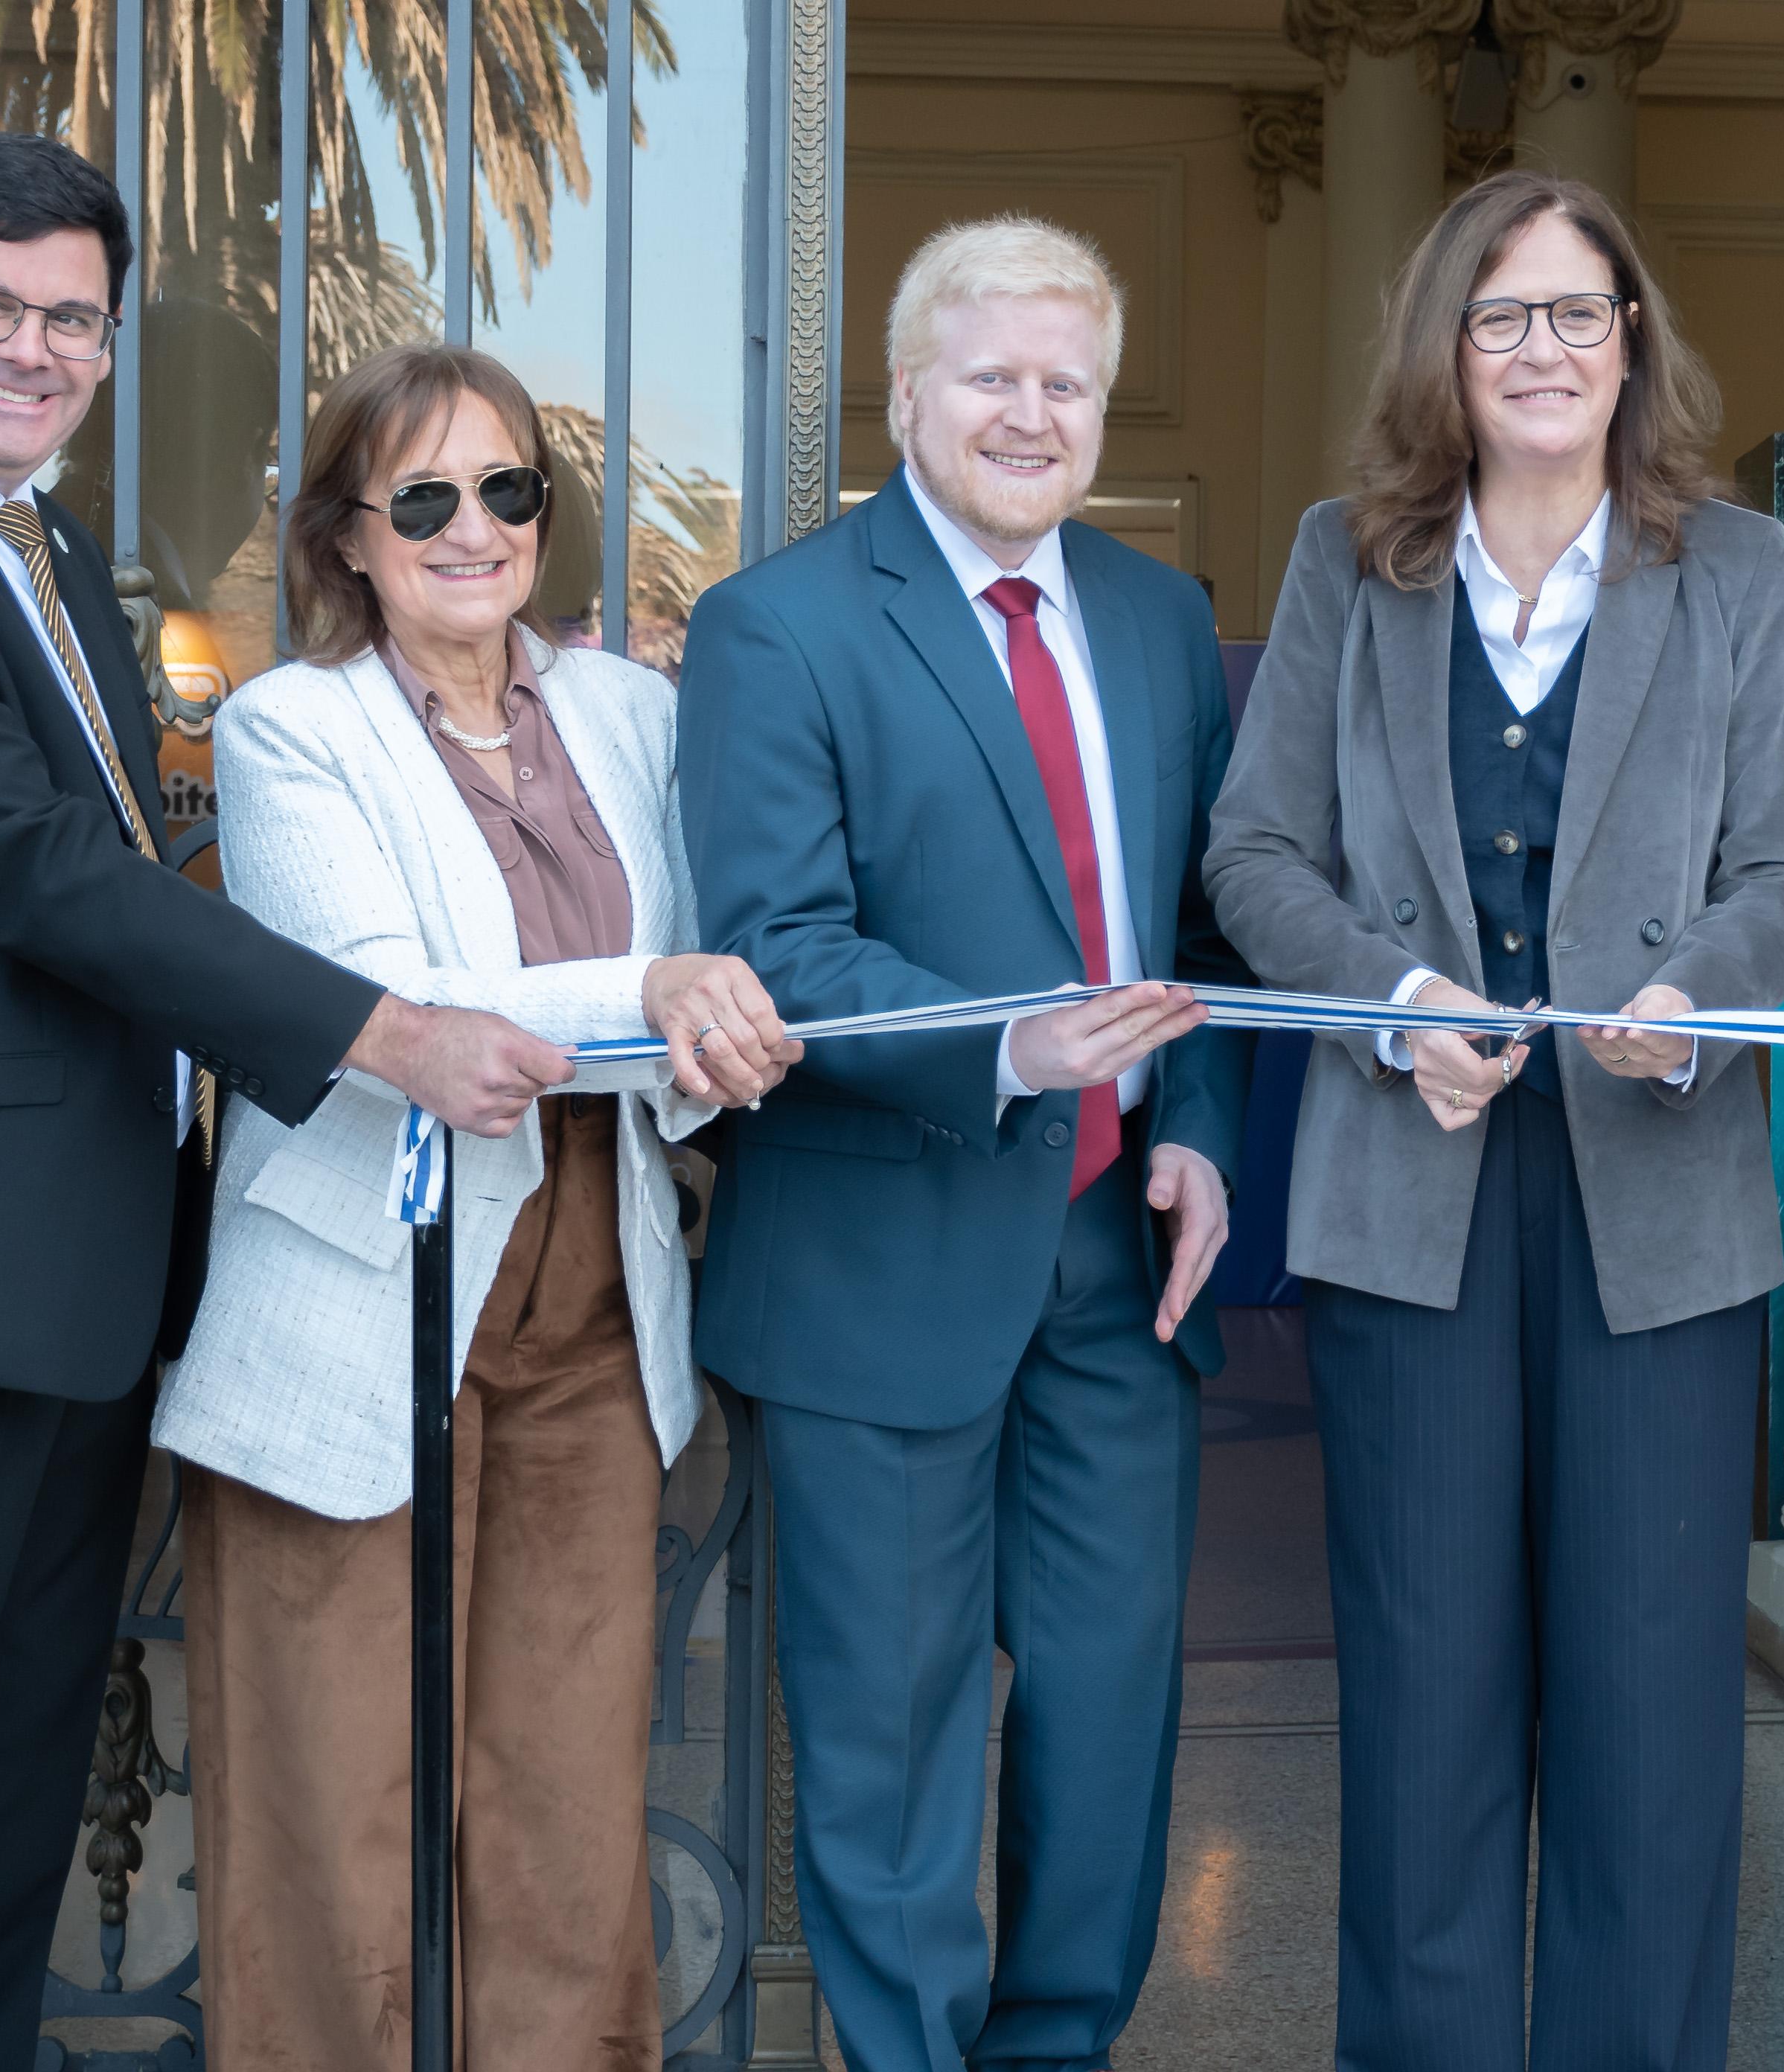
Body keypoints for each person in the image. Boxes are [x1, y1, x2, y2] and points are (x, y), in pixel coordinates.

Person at [0, 133, 560, 2072]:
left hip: (75, 1282)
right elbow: (36, 874)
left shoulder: (47, 546)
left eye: (72, 318)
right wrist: (381, 1032)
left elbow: (123, 872)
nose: (31, 348)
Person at [1205, 169, 1784, 2072]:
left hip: (1663, 1183)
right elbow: (1254, 851)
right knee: (1424, 1709)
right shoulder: (1348, 558)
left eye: (1577, 312)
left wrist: (1689, 1002)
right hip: (1415, 1181)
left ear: (1632, 337)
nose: (1543, 349)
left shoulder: (1727, 567)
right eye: (1503, 317)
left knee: (1652, 1713)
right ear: (1446, 351)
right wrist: (1397, 1009)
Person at [150, 343, 799, 2071]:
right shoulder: (292, 727)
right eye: (420, 498)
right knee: (332, 1809)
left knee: (567, 1804)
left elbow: (704, 988)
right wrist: (663, 985)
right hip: (358, 1305)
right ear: (347, 538)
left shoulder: (635, 716)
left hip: (594, 1302)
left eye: (505, 489)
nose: (471, 528)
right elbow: (393, 1004)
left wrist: (707, 1033)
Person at [677, 214, 1253, 2072]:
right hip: (883, 1262)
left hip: (1115, 1266)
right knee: (892, 1743)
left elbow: (1207, 931)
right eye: (991, 375)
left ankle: (1057, 2047)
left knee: (1105, 1724)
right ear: (907, 395)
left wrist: (1203, 1136)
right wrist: (1006, 1041)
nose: (1030, 413)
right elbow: (780, 939)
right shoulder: (781, 624)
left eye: (1064, 382)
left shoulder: (1165, 622)